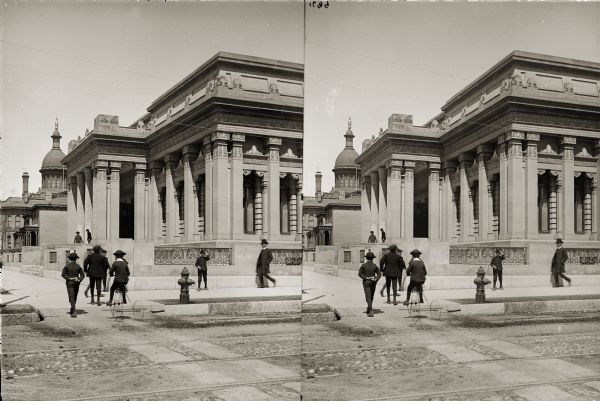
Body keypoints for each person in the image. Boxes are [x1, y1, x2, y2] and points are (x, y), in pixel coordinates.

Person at [61, 252, 85, 318]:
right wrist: (79, 279)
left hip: (70, 283)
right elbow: (83, 275)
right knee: (75, 296)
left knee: (71, 296)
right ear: (76, 259)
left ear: (69, 259)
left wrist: (69, 278)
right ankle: (72, 308)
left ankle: (74, 311)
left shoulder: (67, 266)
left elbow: (63, 274)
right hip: (76, 283)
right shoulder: (78, 266)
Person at [358, 251, 381, 317]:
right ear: (372, 258)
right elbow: (379, 274)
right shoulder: (375, 266)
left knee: (368, 296)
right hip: (373, 283)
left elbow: (359, 274)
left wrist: (365, 277)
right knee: (371, 295)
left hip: (366, 283)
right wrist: (376, 279)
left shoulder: (363, 265)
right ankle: (369, 307)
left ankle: (370, 310)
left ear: (366, 258)